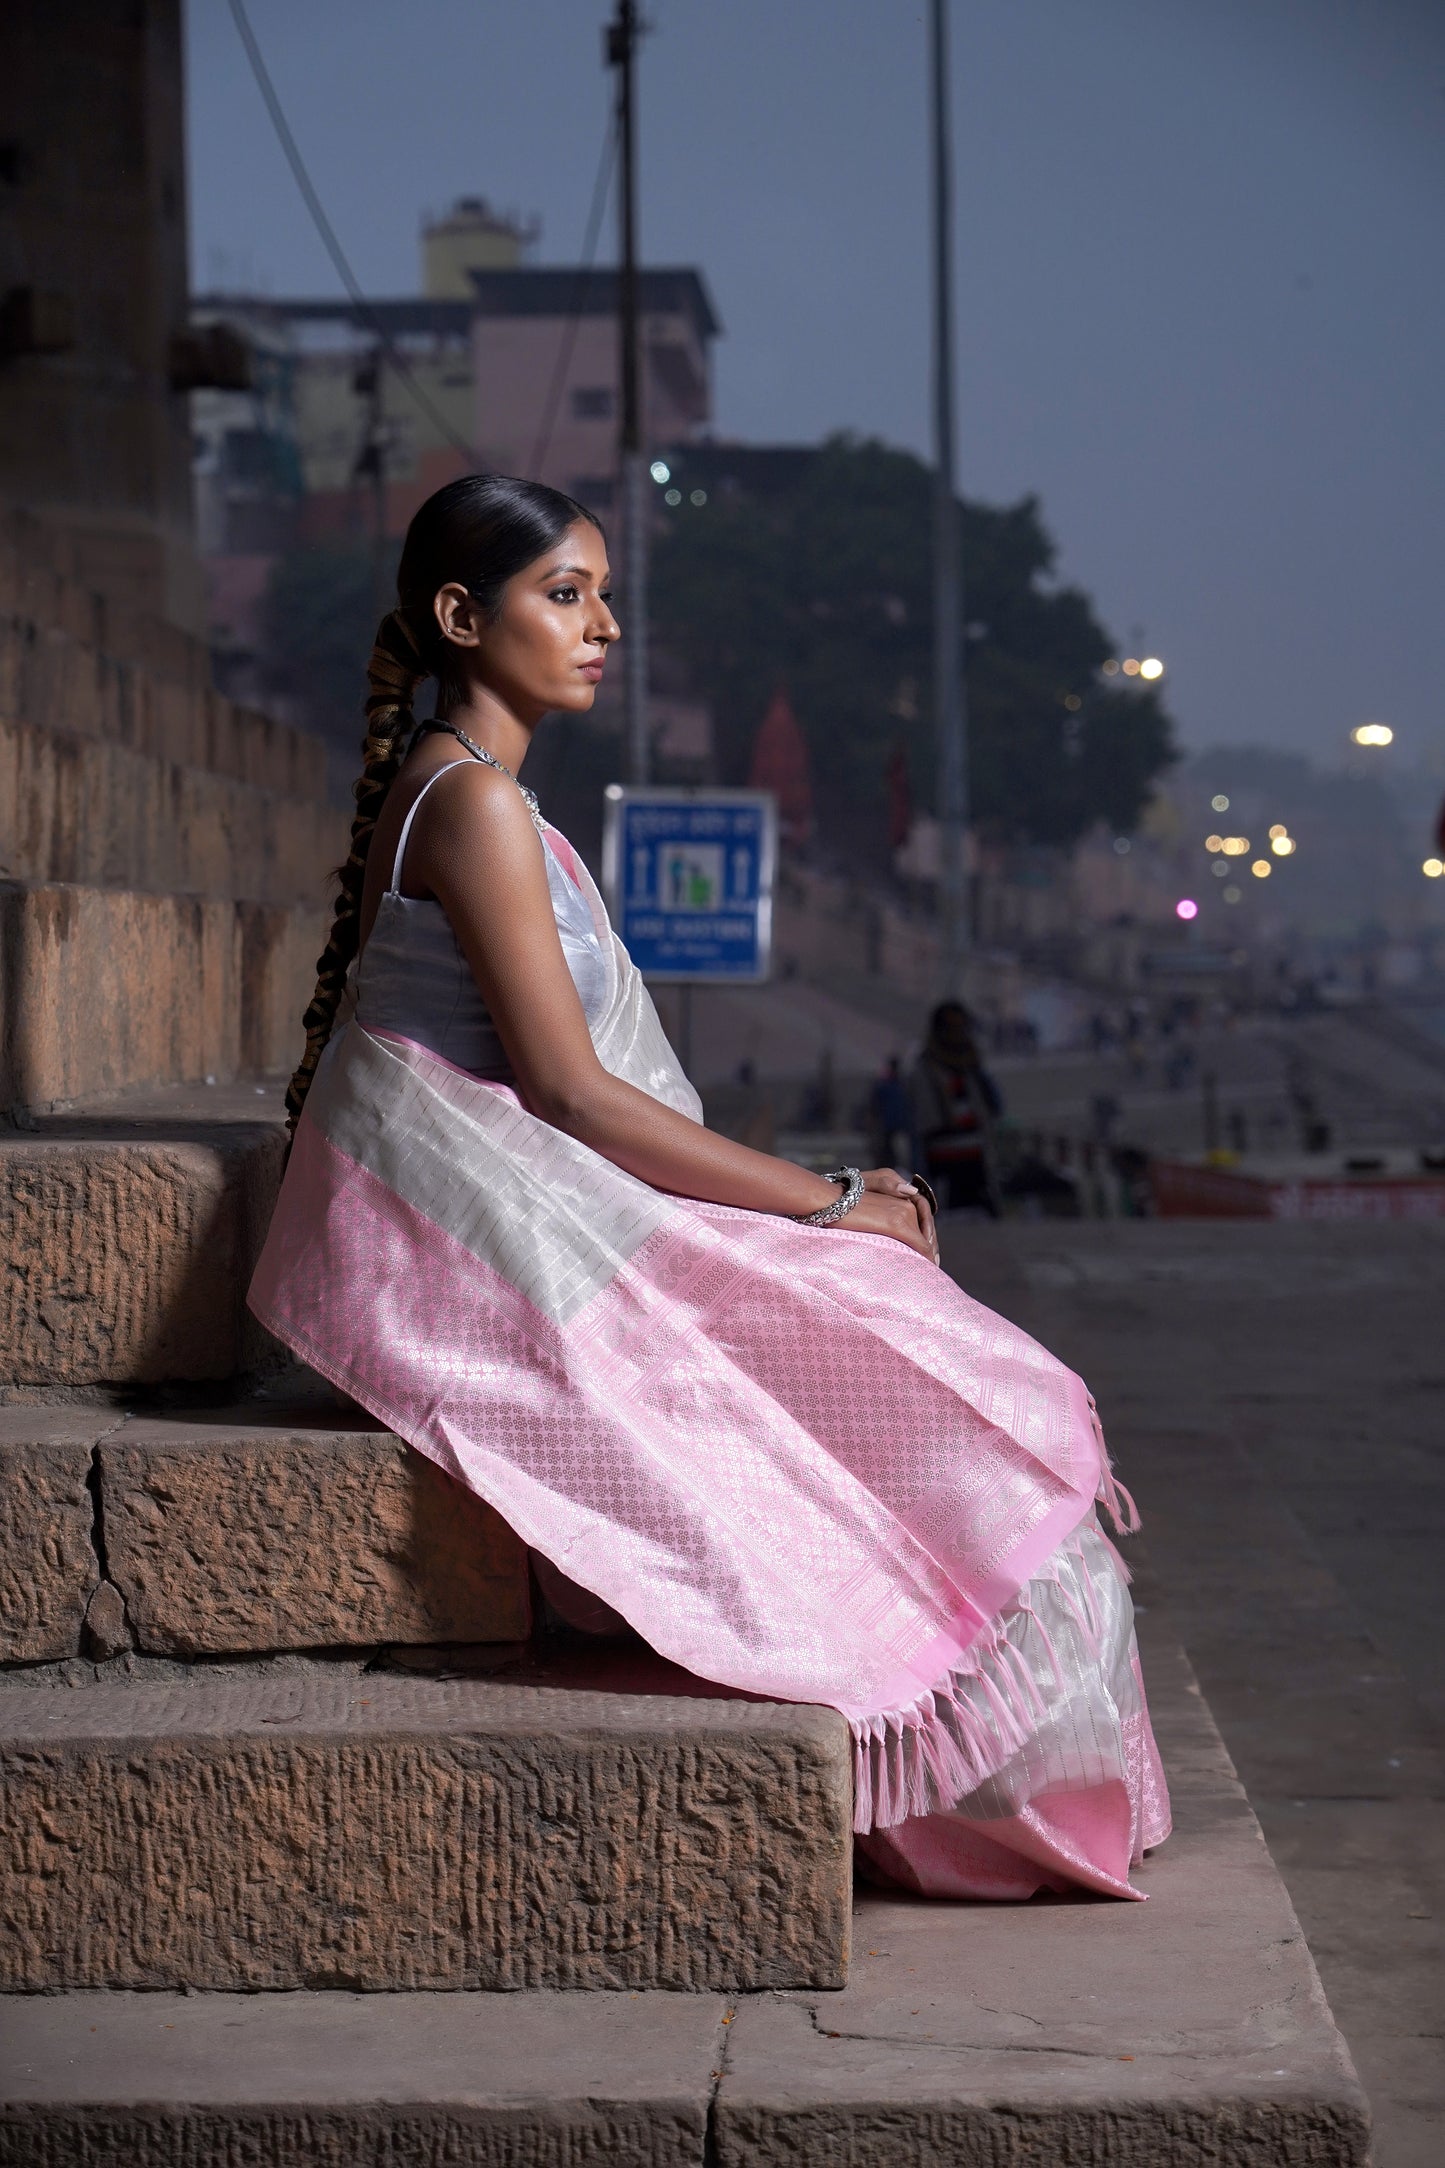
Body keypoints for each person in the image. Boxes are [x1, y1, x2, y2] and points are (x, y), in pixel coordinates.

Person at [250, 475, 1169, 1902]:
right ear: (458, 617)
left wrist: (823, 1205)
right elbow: (567, 1095)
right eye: (566, 595)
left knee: (893, 1334)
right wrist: (824, 1197)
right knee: (894, 1334)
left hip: (536, 1214)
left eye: (604, 593)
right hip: (487, 1257)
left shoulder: (477, 794)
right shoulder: (473, 808)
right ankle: (959, 1750)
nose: (603, 625)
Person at [911, 1002, 1004, 1216]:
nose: (958, 1033)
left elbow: (987, 1105)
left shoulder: (972, 1064)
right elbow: (923, 1119)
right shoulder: (925, 1067)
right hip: (943, 1157)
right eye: (952, 1027)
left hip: (976, 1153)